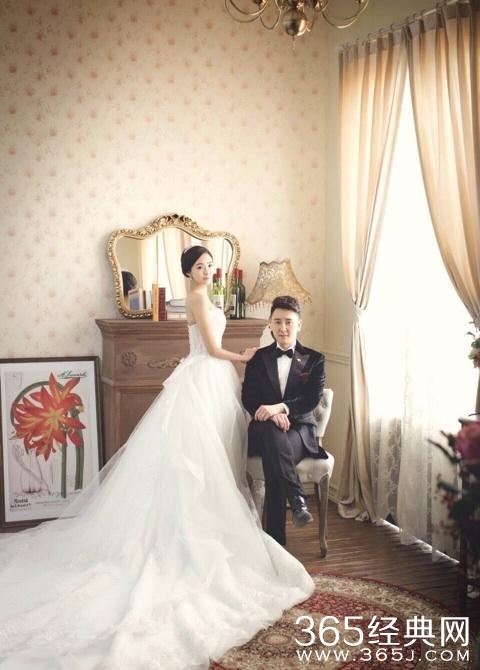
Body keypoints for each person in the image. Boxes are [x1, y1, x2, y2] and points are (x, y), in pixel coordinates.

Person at [0, 247, 314, 670]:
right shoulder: (198, 298)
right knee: (195, 460)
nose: (207, 271)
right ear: (187, 271)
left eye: (209, 265)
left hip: (212, 381)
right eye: (199, 266)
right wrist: (243, 357)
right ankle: (192, 529)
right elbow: (211, 348)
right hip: (204, 376)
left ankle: (213, 519)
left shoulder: (206, 294)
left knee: (213, 457)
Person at [242, 295, 327, 547]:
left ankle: (275, 542)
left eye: (289, 322)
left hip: (299, 432)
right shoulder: (257, 358)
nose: (283, 328)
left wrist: (280, 408)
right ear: (269, 324)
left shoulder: (315, 359)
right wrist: (271, 415)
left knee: (274, 454)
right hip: (264, 429)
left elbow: (310, 400)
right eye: (277, 322)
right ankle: (297, 500)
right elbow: (249, 397)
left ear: (299, 324)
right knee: (271, 433)